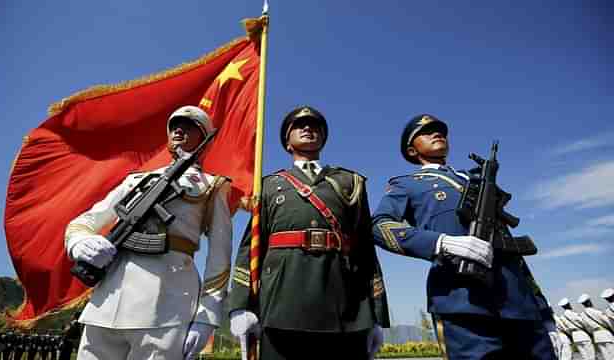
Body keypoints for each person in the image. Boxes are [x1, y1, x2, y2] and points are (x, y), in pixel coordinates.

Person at [371, 114, 558, 359]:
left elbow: (513, 252)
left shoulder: (476, 180)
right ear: (411, 150)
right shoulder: (407, 184)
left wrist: (544, 313)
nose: (437, 134)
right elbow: (380, 226)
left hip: (519, 303)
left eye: (440, 131)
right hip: (462, 299)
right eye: (426, 132)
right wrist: (441, 243)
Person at [64, 106, 232, 360]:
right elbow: (86, 221)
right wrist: (80, 242)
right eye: (175, 125)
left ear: (204, 138)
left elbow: (219, 257)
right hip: (109, 299)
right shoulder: (137, 181)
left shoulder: (213, 186)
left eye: (189, 127)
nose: (179, 130)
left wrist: (206, 316)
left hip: (167, 304)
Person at [227, 105, 390, 360]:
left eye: (315, 126)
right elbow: (250, 247)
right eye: (299, 125)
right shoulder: (269, 185)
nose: (307, 128)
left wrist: (377, 315)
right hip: (281, 302)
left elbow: (365, 250)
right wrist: (239, 306)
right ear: (287, 142)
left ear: (323, 138)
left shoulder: (350, 182)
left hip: (346, 305)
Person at [577, 294, 614, 360]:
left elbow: (587, 327)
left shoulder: (582, 315)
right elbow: (608, 322)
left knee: (606, 356)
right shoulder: (596, 311)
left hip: (596, 336)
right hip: (605, 334)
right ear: (589, 302)